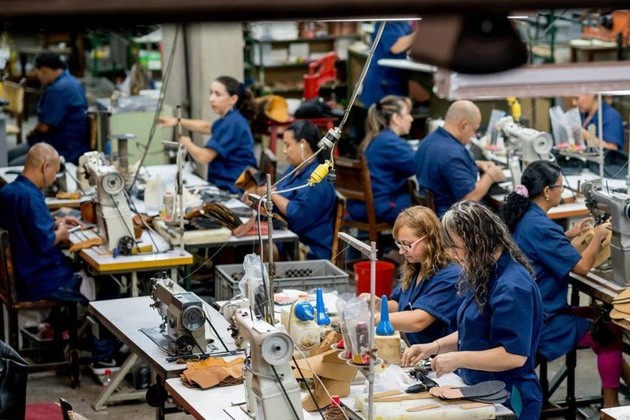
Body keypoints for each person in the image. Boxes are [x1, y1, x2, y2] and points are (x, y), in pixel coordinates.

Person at [501, 160, 630, 410]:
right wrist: (598, 237)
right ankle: (611, 406)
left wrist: (567, 235)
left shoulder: (525, 216)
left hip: (526, 313)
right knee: (610, 331)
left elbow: (542, 245)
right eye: (561, 186)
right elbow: (582, 267)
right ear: (547, 191)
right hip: (542, 322)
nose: (563, 191)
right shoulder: (542, 227)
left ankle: (620, 390)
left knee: (602, 318)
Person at [402, 201, 544, 419]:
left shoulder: (512, 287)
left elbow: (514, 356)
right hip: (479, 388)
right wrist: (434, 346)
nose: (452, 254)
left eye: (455, 247)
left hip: (507, 396)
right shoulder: (484, 271)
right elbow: (476, 329)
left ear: (477, 240)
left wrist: (458, 359)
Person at [0, 143, 119, 372]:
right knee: (107, 287)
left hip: (21, 274)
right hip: (40, 280)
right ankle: (103, 357)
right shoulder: (31, 197)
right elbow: (46, 241)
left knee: (86, 272)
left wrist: (54, 221)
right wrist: (61, 233)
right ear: (45, 167)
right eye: (54, 172)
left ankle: (63, 333)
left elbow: (25, 225)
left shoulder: (10, 191)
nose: (55, 178)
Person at [359, 206, 462, 345]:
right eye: (399, 244)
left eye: (407, 245)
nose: (401, 251)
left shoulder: (451, 276)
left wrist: (373, 318)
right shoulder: (416, 266)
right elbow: (400, 305)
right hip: (410, 346)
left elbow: (418, 320)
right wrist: (379, 305)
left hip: (434, 354)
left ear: (429, 239)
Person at [248, 120, 336, 260]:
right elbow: (278, 194)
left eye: (287, 145)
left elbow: (298, 214)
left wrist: (271, 193)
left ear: (303, 144)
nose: (284, 151)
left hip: (307, 249)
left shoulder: (318, 179)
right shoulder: (295, 169)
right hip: (285, 236)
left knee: (262, 247)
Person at [158, 76, 257, 194]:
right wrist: (177, 121)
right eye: (211, 93)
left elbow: (204, 157)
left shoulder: (232, 123)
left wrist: (187, 143)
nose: (211, 99)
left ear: (233, 99)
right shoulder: (230, 118)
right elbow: (207, 127)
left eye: (217, 94)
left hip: (234, 187)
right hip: (228, 182)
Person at [415, 100, 505, 216]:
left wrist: (477, 164)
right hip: (451, 219)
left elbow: (443, 167)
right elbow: (469, 198)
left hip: (431, 215)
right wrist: (490, 175)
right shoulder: (452, 153)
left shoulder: (428, 141)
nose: (473, 135)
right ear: (464, 126)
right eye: (474, 130)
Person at [8, 51, 89, 165]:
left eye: (37, 73)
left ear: (44, 70)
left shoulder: (59, 89)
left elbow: (44, 127)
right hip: (58, 142)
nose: (38, 77)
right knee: (7, 155)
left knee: (13, 165)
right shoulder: (72, 81)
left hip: (64, 147)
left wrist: (32, 132)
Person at [347, 95, 416, 223]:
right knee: (425, 204)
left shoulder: (377, 138)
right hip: (381, 207)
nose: (411, 118)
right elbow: (418, 165)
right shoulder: (389, 142)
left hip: (360, 206)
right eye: (408, 114)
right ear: (396, 118)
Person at [360, 20, 416, 108]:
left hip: (397, 80)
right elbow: (395, 47)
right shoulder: (386, 23)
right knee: (382, 114)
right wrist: (419, 33)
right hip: (382, 81)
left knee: (399, 111)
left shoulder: (404, 23)